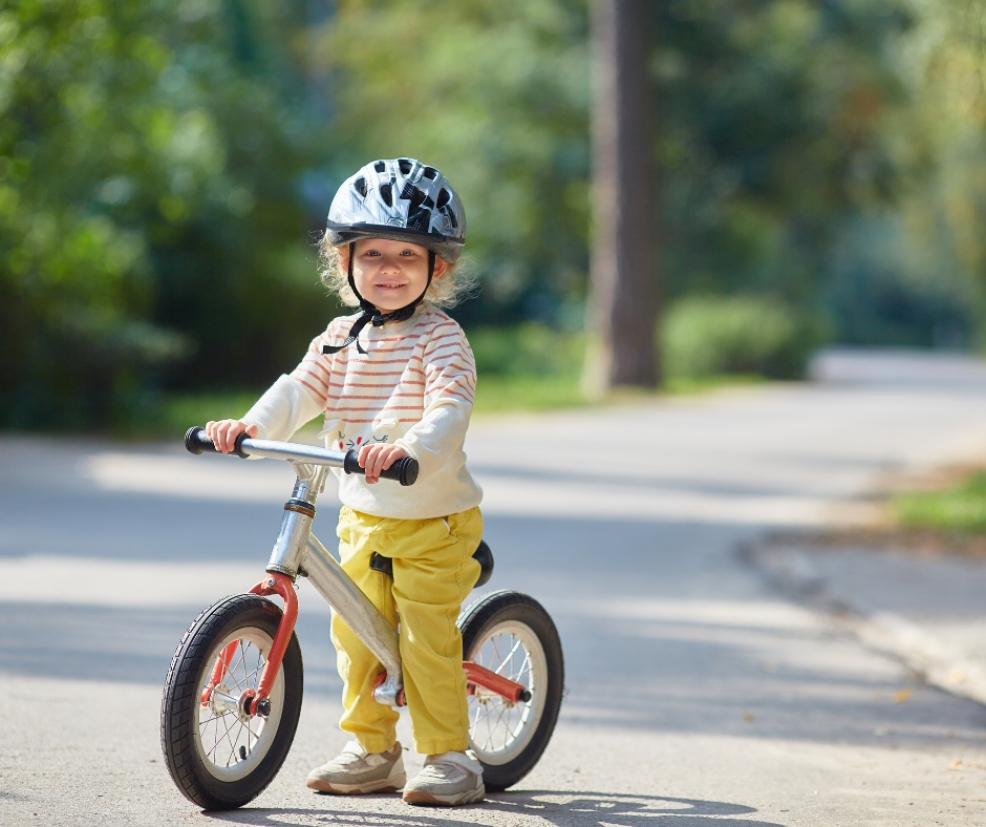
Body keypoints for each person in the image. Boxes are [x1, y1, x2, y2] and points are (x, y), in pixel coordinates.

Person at [205, 157, 485, 807]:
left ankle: (449, 754)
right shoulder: (340, 338)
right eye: (373, 254)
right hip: (362, 513)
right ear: (345, 262)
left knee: (422, 638)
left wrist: (408, 447)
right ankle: (373, 748)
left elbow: (450, 408)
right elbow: (299, 389)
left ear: (436, 268)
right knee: (356, 634)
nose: (389, 269)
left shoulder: (440, 339)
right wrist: (245, 425)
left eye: (407, 256)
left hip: (433, 520)